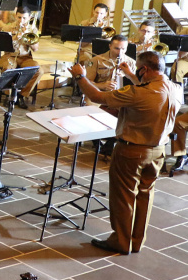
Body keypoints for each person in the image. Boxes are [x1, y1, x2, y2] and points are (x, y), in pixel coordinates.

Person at [70, 51, 181, 255]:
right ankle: (136, 241)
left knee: (124, 198)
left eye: (138, 69)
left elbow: (96, 96)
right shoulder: (174, 87)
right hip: (157, 151)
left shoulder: (137, 93)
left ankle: (121, 242)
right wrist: (130, 75)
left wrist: (80, 76)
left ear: (144, 69)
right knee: (145, 196)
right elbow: (148, 90)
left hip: (132, 151)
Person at [86, 34, 138, 155]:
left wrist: (128, 76)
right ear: (110, 46)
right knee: (91, 108)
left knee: (128, 113)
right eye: (117, 48)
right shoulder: (96, 60)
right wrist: (102, 85)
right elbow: (87, 83)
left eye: (123, 49)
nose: (120, 52)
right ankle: (96, 139)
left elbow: (138, 85)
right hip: (99, 95)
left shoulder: (131, 63)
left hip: (121, 96)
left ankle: (110, 142)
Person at [0, 6, 43, 109]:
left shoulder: (33, 29)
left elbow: (35, 49)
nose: (21, 20)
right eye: (19, 17)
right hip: (10, 55)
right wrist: (16, 37)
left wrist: (28, 37)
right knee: (8, 68)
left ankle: (22, 95)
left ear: (29, 17)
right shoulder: (8, 28)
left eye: (24, 18)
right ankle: (9, 96)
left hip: (25, 57)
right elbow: (3, 45)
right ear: (15, 16)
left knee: (38, 70)